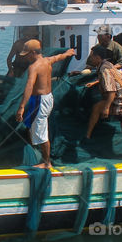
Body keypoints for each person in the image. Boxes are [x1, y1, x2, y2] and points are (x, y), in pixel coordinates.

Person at [15, 39, 75, 168]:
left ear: (32, 53)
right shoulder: (47, 60)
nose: (25, 58)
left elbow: (29, 86)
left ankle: (47, 162)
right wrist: (68, 53)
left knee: (42, 132)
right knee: (32, 125)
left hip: (40, 101)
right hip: (47, 98)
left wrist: (21, 107)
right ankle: (36, 152)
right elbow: (59, 57)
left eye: (26, 55)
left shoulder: (33, 67)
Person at [86, 46, 122, 165]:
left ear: (97, 57)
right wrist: (95, 82)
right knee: (96, 108)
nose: (90, 58)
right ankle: (88, 135)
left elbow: (112, 92)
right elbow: (111, 79)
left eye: (92, 56)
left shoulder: (104, 69)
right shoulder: (106, 65)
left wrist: (106, 108)